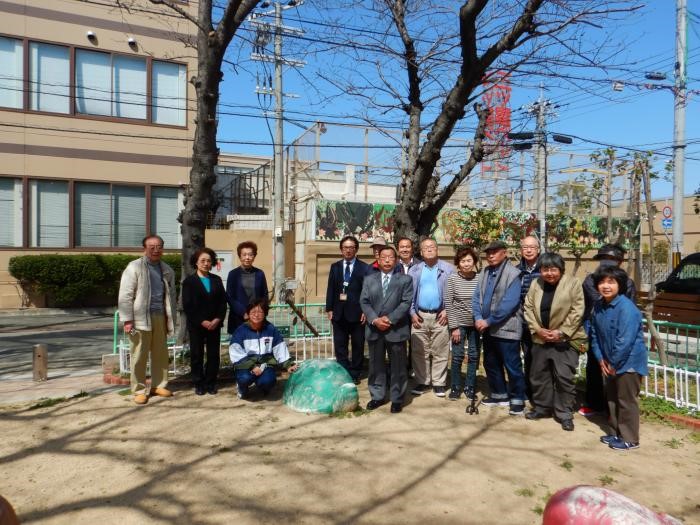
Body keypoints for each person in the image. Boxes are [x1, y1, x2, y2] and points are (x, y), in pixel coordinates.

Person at [523, 252, 586, 431]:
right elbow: (528, 307)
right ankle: (542, 407)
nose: (549, 273)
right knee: (539, 376)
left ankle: (564, 413)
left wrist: (561, 332)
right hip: (540, 338)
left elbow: (577, 310)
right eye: (545, 269)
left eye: (553, 269)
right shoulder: (536, 284)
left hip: (565, 340)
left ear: (561, 269)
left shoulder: (573, 283)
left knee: (564, 377)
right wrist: (537, 329)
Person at [589, 265, 648, 450]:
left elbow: (625, 341)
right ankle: (615, 433)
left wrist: (613, 362)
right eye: (602, 282)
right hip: (608, 361)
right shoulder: (598, 305)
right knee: (612, 398)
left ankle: (630, 439)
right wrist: (600, 359)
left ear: (620, 285)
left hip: (628, 362)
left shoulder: (627, 308)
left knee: (626, 400)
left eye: (611, 282)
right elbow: (594, 335)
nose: (606, 286)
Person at [579, 243, 638, 417]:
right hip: (595, 325)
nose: (608, 262)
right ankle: (595, 403)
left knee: (619, 365)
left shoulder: (628, 282)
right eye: (605, 259)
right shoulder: (590, 281)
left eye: (613, 259)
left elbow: (630, 305)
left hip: (620, 326)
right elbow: (599, 299)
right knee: (595, 365)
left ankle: (617, 408)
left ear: (620, 262)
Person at [118, 234, 177, 405]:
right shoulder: (134, 267)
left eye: (159, 246)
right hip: (139, 318)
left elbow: (171, 296)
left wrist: (171, 318)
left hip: (160, 316)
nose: (155, 250)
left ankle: (159, 385)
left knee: (160, 353)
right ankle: (138, 390)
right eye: (152, 247)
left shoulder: (167, 269)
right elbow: (125, 295)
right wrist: (127, 320)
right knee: (139, 354)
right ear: (144, 248)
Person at [472, 240, 525, 415]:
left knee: (512, 365)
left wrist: (488, 320)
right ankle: (499, 394)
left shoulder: (513, 273)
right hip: (486, 327)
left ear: (505, 253)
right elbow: (476, 297)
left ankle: (517, 398)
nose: (491, 255)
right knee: (491, 362)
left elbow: (509, 304)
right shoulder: (484, 272)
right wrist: (478, 317)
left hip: (506, 327)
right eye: (488, 253)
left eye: (495, 252)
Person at [360, 246, 413, 413]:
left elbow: (406, 302)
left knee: (398, 366)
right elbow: (364, 301)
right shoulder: (369, 279)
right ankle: (377, 395)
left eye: (391, 257)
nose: (387, 260)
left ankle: (397, 398)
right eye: (384, 257)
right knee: (376, 365)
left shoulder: (405, 280)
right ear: (378, 260)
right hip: (375, 328)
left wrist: (389, 319)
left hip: (395, 329)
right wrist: (375, 319)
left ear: (396, 260)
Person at [408, 238, 454, 397]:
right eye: (425, 248)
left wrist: (448, 310)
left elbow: (453, 293)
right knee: (419, 351)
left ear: (437, 250)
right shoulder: (414, 270)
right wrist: (412, 313)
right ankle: (422, 381)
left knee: (440, 351)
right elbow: (409, 295)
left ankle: (439, 383)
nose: (429, 249)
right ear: (420, 252)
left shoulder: (448, 269)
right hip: (419, 316)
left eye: (432, 247)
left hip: (440, 315)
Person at [229, 299, 298, 399]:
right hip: (245, 365)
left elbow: (280, 348)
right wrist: (252, 366)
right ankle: (242, 388)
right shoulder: (240, 331)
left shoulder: (271, 329)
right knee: (244, 378)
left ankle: (264, 387)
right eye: (253, 312)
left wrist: (288, 365)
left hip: (265, 364)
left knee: (268, 381)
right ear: (248, 314)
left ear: (265, 314)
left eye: (260, 312)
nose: (256, 315)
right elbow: (235, 351)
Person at [182, 247, 228, 396]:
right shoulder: (189, 282)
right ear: (196, 262)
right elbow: (188, 305)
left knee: (213, 355)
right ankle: (199, 382)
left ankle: (211, 382)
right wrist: (202, 321)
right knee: (197, 354)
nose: (206, 263)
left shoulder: (216, 280)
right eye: (203, 260)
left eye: (209, 260)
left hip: (214, 324)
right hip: (197, 325)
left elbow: (222, 302)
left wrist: (217, 319)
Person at [325, 235, 370, 382]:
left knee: (358, 346)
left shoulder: (364, 268)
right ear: (341, 249)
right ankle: (343, 373)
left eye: (351, 247)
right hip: (338, 313)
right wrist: (329, 309)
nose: (348, 250)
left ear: (356, 249)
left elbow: (367, 291)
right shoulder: (335, 267)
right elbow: (331, 288)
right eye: (345, 247)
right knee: (340, 346)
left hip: (358, 314)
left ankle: (355, 373)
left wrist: (365, 310)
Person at [443, 246, 481, 402]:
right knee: (458, 356)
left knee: (473, 356)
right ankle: (455, 387)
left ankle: (470, 386)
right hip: (458, 324)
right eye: (463, 261)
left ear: (474, 261)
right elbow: (449, 303)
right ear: (458, 263)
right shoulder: (452, 278)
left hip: (476, 325)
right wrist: (454, 327)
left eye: (469, 260)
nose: (466, 264)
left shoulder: (480, 278)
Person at [226, 241, 269, 336]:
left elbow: (264, 295)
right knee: (238, 348)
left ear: (254, 256)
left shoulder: (260, 273)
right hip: (238, 318)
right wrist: (244, 313)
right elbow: (230, 297)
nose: (247, 258)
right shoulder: (233, 274)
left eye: (250, 255)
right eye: (244, 254)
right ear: (239, 256)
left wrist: (260, 312)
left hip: (257, 318)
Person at [517, 235, 541, 401]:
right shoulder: (516, 270)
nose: (529, 250)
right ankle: (526, 390)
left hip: (542, 323)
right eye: (525, 247)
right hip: (523, 321)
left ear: (538, 249)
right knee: (527, 357)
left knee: (541, 359)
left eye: (532, 247)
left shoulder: (546, 269)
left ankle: (540, 392)